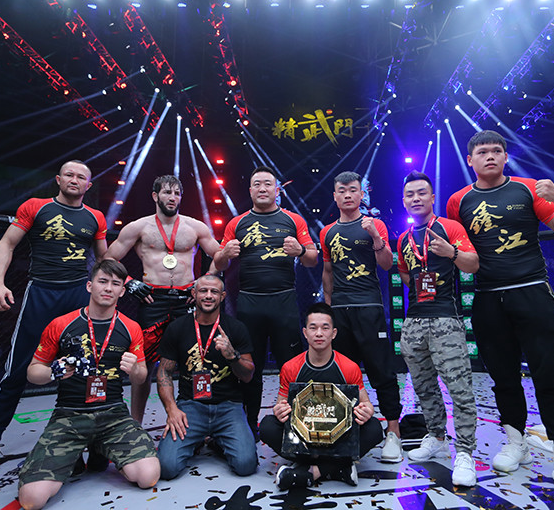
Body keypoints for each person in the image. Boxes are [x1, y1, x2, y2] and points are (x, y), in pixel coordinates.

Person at [446, 130, 554, 501]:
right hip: (487, 297)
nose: (490, 156)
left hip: (532, 290)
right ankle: (515, 442)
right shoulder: (458, 201)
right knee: (503, 377)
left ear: (505, 157)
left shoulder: (529, 189)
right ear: (470, 160)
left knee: (549, 376)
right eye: (482, 152)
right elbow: (462, 250)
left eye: (497, 150)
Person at [0, 160, 108, 476]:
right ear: (58, 179)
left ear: (89, 185)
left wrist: (119, 286)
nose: (75, 179)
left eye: (81, 177)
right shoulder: (36, 206)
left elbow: (104, 260)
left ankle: (78, 442)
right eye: (69, 174)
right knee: (18, 369)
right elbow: (7, 243)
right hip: (41, 293)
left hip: (78, 295)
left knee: (84, 370)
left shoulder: (95, 217)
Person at [17, 259, 160, 510]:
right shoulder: (61, 324)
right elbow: (32, 373)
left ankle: (99, 448)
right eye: (103, 281)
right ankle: (76, 452)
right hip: (70, 415)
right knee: (32, 499)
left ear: (122, 291)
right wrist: (53, 371)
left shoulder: (131, 327)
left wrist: (135, 369)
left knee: (148, 477)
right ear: (89, 286)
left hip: (113, 415)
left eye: (115, 284)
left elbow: (140, 378)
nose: (108, 288)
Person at [105, 175, 221, 423]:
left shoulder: (195, 227)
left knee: (197, 361)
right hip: (152, 300)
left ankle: (197, 422)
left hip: (187, 299)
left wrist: (205, 281)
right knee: (143, 365)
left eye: (177, 193)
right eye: (167, 192)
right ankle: (136, 425)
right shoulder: (138, 227)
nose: (173, 197)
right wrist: (129, 282)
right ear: (155, 196)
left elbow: (220, 256)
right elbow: (108, 259)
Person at [214, 165, 318, 436]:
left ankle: (297, 424)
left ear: (277, 190)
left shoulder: (293, 220)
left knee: (291, 365)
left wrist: (300, 251)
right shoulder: (236, 223)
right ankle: (249, 425)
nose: (262, 188)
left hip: (284, 301)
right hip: (249, 303)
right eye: (257, 184)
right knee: (250, 366)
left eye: (267, 184)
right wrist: (224, 254)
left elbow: (313, 259)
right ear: (250, 190)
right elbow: (219, 264)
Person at [397, 171, 480, 486]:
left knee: (459, 389)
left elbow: (473, 264)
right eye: (410, 194)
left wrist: (451, 253)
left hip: (446, 319)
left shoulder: (450, 227)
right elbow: (405, 274)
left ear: (432, 197)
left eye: (422, 193)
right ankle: (436, 436)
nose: (416, 198)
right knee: (423, 387)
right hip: (414, 321)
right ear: (404, 201)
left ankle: (466, 452)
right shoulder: (404, 238)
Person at [319, 171, 403, 463]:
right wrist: (328, 307)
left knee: (382, 371)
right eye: (342, 190)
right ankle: (347, 429)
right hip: (339, 311)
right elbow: (327, 271)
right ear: (335, 196)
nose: (347, 195)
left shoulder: (374, 224)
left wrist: (376, 237)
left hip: (369, 307)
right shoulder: (327, 232)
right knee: (343, 373)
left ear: (361, 194)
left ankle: (393, 431)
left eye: (353, 190)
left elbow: (387, 264)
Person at [259, 302, 383, 490]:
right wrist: (280, 411)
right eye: (313, 328)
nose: (319, 333)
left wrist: (366, 411)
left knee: (374, 429)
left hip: (338, 436)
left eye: (325, 328)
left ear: (333, 333)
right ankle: (337, 468)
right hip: (304, 435)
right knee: (267, 426)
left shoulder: (349, 367)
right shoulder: (291, 367)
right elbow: (280, 405)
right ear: (305, 332)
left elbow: (366, 404)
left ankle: (311, 471)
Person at [156, 274, 258, 479]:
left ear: (223, 296)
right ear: (194, 294)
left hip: (228, 406)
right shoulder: (177, 328)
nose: (209, 295)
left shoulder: (236, 328)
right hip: (190, 406)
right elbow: (164, 371)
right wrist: (171, 409)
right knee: (167, 467)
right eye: (203, 291)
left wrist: (232, 355)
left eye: (214, 292)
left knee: (246, 465)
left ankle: (217, 441)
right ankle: (195, 440)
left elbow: (248, 375)